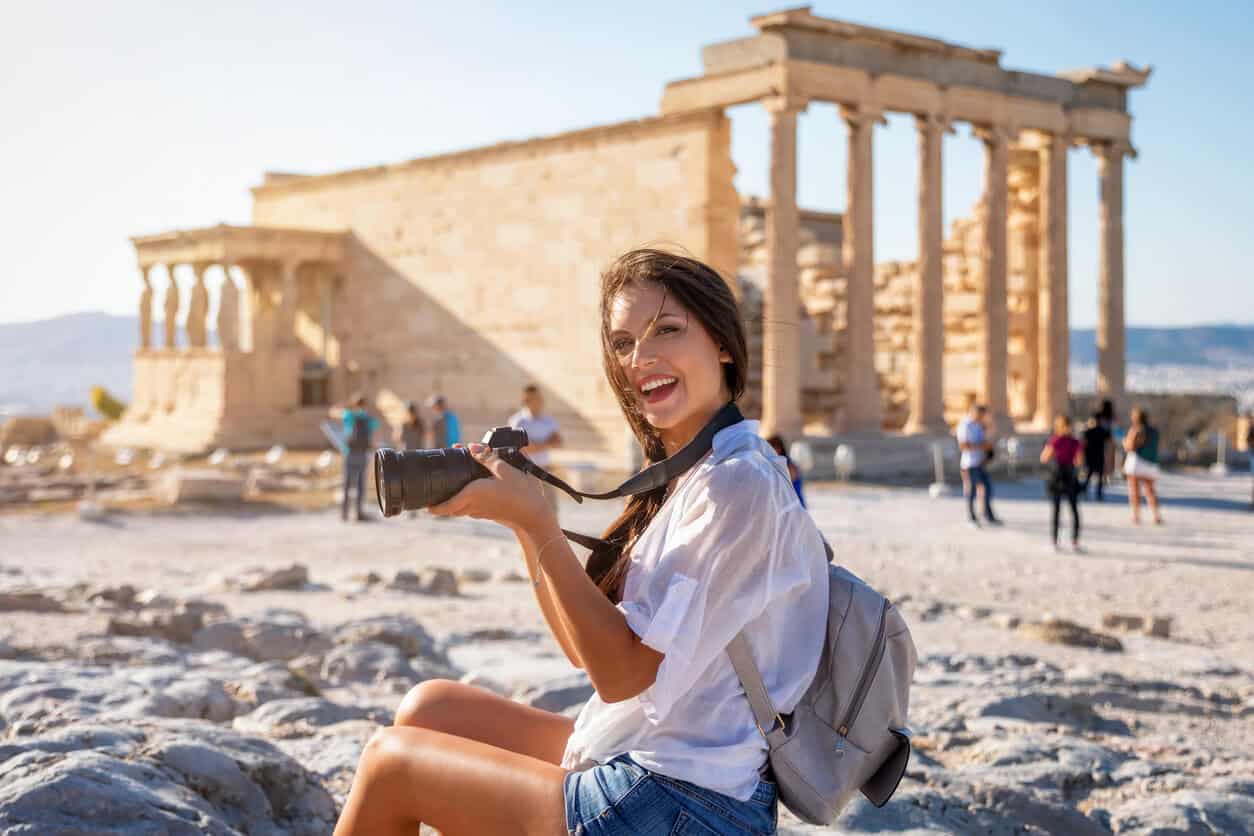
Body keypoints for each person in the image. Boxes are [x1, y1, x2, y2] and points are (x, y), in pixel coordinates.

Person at [333, 249, 830, 836]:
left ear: (722, 342)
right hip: (655, 752)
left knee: (391, 766)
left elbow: (620, 676)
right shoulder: (695, 472)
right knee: (430, 709)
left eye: (666, 330)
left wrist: (543, 525)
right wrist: (523, 522)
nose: (640, 359)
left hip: (693, 802)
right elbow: (585, 653)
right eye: (622, 343)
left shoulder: (737, 484)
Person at [507, 384, 564, 518]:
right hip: (525, 471)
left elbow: (558, 442)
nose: (539, 401)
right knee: (527, 510)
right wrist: (546, 443)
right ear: (526, 400)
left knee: (551, 509)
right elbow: (523, 447)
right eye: (535, 398)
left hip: (545, 470)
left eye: (540, 398)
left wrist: (536, 445)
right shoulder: (517, 422)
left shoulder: (549, 421)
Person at [1040, 414, 1084, 552]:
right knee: (1069, 510)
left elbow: (1044, 458)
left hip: (1058, 475)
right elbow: (1079, 462)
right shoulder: (1074, 442)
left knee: (1061, 510)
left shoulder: (1055, 441)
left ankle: (1061, 541)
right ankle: (1071, 541)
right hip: (1067, 475)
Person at [956, 402, 1000, 527]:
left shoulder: (979, 425)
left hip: (980, 462)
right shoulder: (965, 425)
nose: (982, 417)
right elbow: (963, 446)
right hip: (969, 464)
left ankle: (988, 515)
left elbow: (987, 440)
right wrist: (982, 446)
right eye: (981, 414)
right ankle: (971, 516)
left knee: (987, 488)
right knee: (972, 490)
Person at [340, 394, 378, 522]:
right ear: (365, 404)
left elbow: (338, 415)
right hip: (362, 454)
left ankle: (344, 513)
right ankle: (358, 513)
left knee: (347, 484)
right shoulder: (369, 419)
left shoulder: (349, 415)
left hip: (349, 453)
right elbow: (373, 434)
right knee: (361, 485)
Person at [1123, 406, 1163, 525]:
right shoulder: (1154, 431)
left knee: (1135, 491)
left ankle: (1136, 516)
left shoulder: (1136, 429)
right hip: (1151, 464)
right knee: (1150, 491)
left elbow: (1130, 446)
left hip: (1137, 463)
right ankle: (1156, 515)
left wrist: (1124, 442)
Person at [766, 434, 806, 507]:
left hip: (793, 506)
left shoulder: (789, 465)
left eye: (773, 447)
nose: (771, 450)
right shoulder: (771, 463)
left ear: (780, 448)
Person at [1081, 409, 1112, 501]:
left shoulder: (1088, 431)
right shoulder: (1103, 431)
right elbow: (1109, 441)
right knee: (1099, 477)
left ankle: (1084, 491)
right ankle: (1099, 494)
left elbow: (1083, 443)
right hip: (1099, 456)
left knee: (1088, 475)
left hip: (1090, 455)